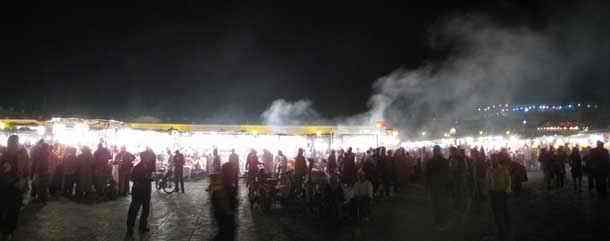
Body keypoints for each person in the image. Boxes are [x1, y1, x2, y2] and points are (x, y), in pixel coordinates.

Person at [0, 135, 29, 240]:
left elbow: (26, 171)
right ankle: (5, 231)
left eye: (14, 144)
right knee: (4, 209)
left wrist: (24, 181)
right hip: (6, 188)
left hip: (16, 189)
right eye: (10, 144)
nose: (12, 146)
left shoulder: (23, 155)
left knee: (13, 211)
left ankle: (8, 232)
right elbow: (3, 173)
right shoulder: (4, 156)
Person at [126, 148, 156, 238]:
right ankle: (130, 228)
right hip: (138, 191)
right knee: (134, 210)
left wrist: (149, 178)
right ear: (144, 157)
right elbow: (132, 178)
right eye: (148, 157)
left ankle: (142, 226)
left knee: (146, 209)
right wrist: (143, 179)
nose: (150, 158)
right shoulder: (137, 167)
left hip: (146, 190)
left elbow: (149, 176)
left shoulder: (149, 166)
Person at [489, 150, 512, 241]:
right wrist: (488, 190)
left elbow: (508, 180)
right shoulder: (490, 170)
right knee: (496, 212)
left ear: (497, 160)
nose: (493, 160)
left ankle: (505, 228)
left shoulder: (503, 169)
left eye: (494, 159)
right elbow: (489, 181)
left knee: (503, 211)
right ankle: (501, 230)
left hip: (501, 192)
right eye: (491, 159)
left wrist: (508, 190)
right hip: (493, 193)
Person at [426, 145, 450, 230]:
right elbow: (427, 174)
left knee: (440, 205)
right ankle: (438, 222)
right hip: (435, 186)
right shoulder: (432, 161)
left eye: (436, 151)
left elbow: (447, 174)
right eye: (435, 151)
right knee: (436, 205)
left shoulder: (442, 161)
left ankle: (441, 222)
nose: (435, 152)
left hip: (440, 186)